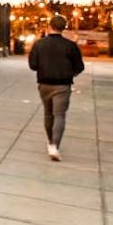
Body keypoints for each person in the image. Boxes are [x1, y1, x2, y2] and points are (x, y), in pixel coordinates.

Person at [28, 14, 86, 161]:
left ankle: (49, 141)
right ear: (64, 27)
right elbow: (79, 67)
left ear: (50, 26)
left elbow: (33, 65)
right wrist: (69, 74)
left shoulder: (39, 44)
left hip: (44, 84)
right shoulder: (70, 46)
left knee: (48, 114)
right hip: (63, 85)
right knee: (59, 115)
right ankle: (55, 146)